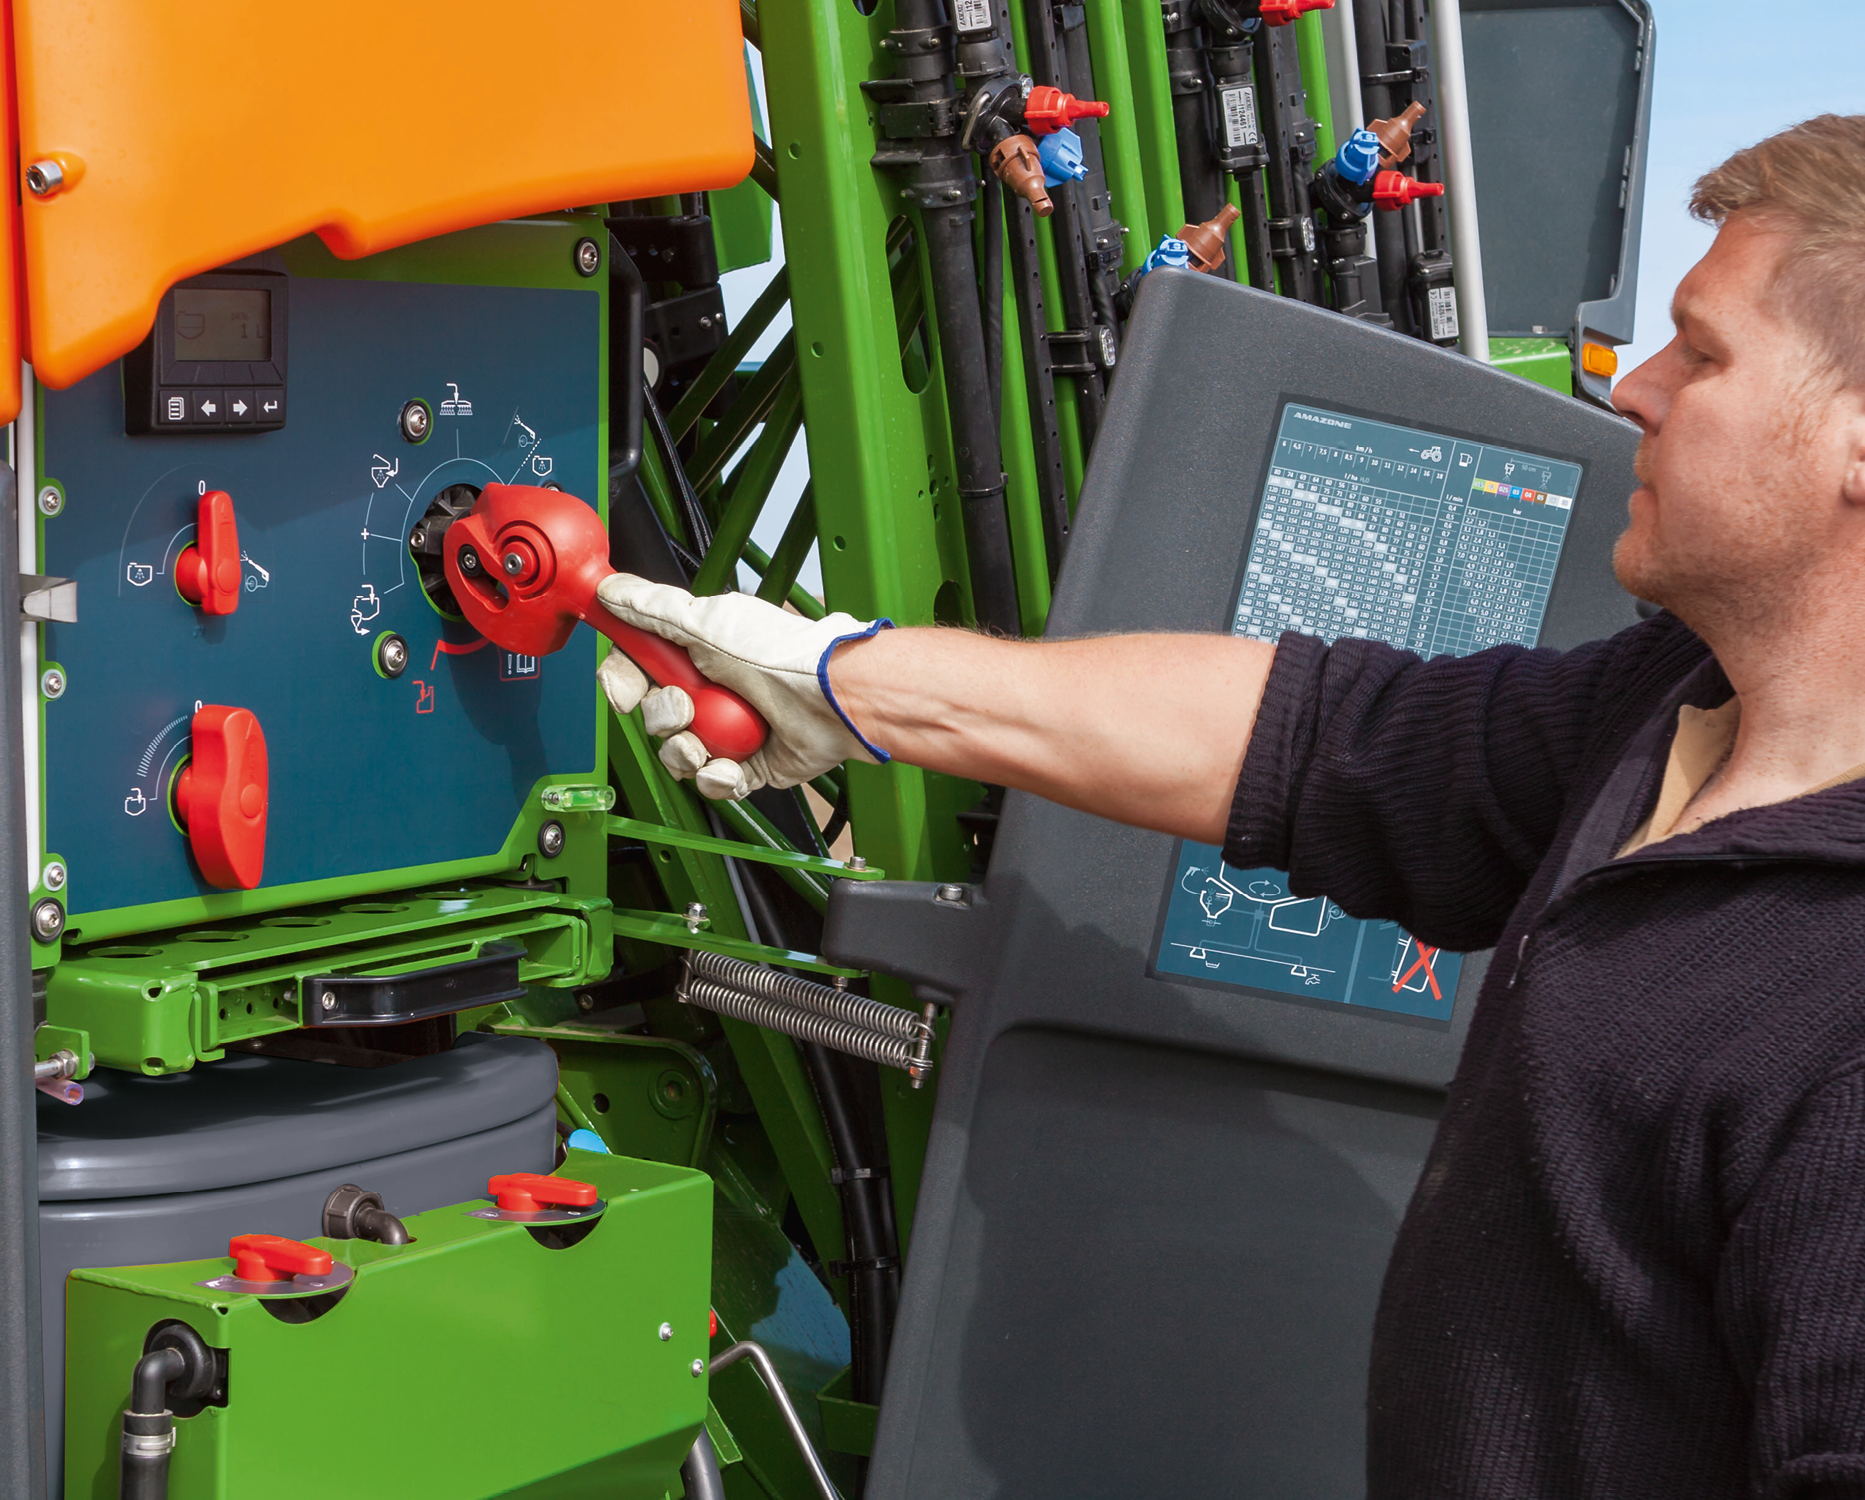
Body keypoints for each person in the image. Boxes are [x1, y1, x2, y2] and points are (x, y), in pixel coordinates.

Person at [598, 115, 1865, 1497]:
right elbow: (1317, 738)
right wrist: (842, 681)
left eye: (1705, 352)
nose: (1638, 389)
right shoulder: (1673, 706)